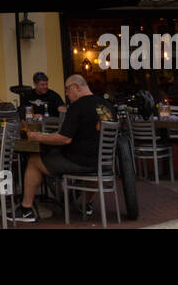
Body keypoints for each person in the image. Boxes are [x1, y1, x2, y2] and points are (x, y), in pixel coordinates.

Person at [10, 74, 113, 224]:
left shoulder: (77, 106)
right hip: (102, 162)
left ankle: (26, 210)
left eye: (67, 90)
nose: (66, 94)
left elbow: (64, 138)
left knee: (34, 160)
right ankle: (85, 204)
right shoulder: (107, 105)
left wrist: (38, 137)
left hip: (79, 161)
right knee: (87, 161)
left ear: (77, 87)